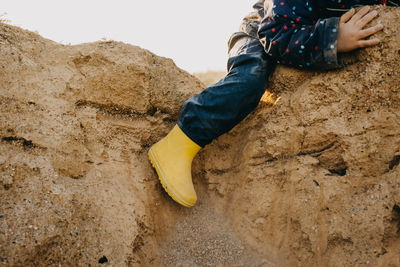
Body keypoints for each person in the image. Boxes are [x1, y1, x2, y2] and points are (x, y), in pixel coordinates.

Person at [148, 0, 398, 208]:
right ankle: (180, 142)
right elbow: (275, 34)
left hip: (301, 30)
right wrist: (333, 38)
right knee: (250, 80)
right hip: (260, 33)